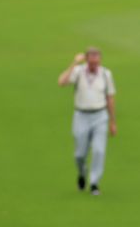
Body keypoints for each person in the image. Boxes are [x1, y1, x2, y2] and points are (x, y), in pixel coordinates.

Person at [58, 47, 117, 196]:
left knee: (99, 150)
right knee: (79, 154)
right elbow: (62, 82)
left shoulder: (105, 74)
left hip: (100, 115)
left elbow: (110, 98)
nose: (94, 65)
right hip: (81, 115)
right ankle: (82, 173)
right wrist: (74, 63)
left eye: (96, 62)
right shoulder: (78, 71)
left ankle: (94, 183)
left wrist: (112, 121)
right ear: (86, 60)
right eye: (91, 62)